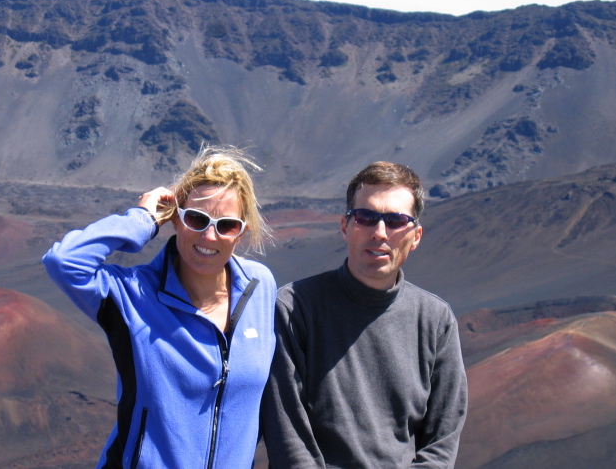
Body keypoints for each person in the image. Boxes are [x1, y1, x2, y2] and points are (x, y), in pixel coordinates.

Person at [43, 146, 276, 469]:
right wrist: (142, 219)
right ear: (176, 220)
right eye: (196, 219)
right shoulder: (132, 296)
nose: (210, 236)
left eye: (226, 225)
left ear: (241, 233)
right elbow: (64, 261)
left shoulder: (260, 288)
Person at [261, 161, 468, 468]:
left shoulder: (435, 320)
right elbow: (285, 430)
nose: (379, 233)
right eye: (366, 217)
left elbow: (443, 436)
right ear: (346, 226)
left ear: (416, 235)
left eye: (396, 221)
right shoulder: (294, 308)